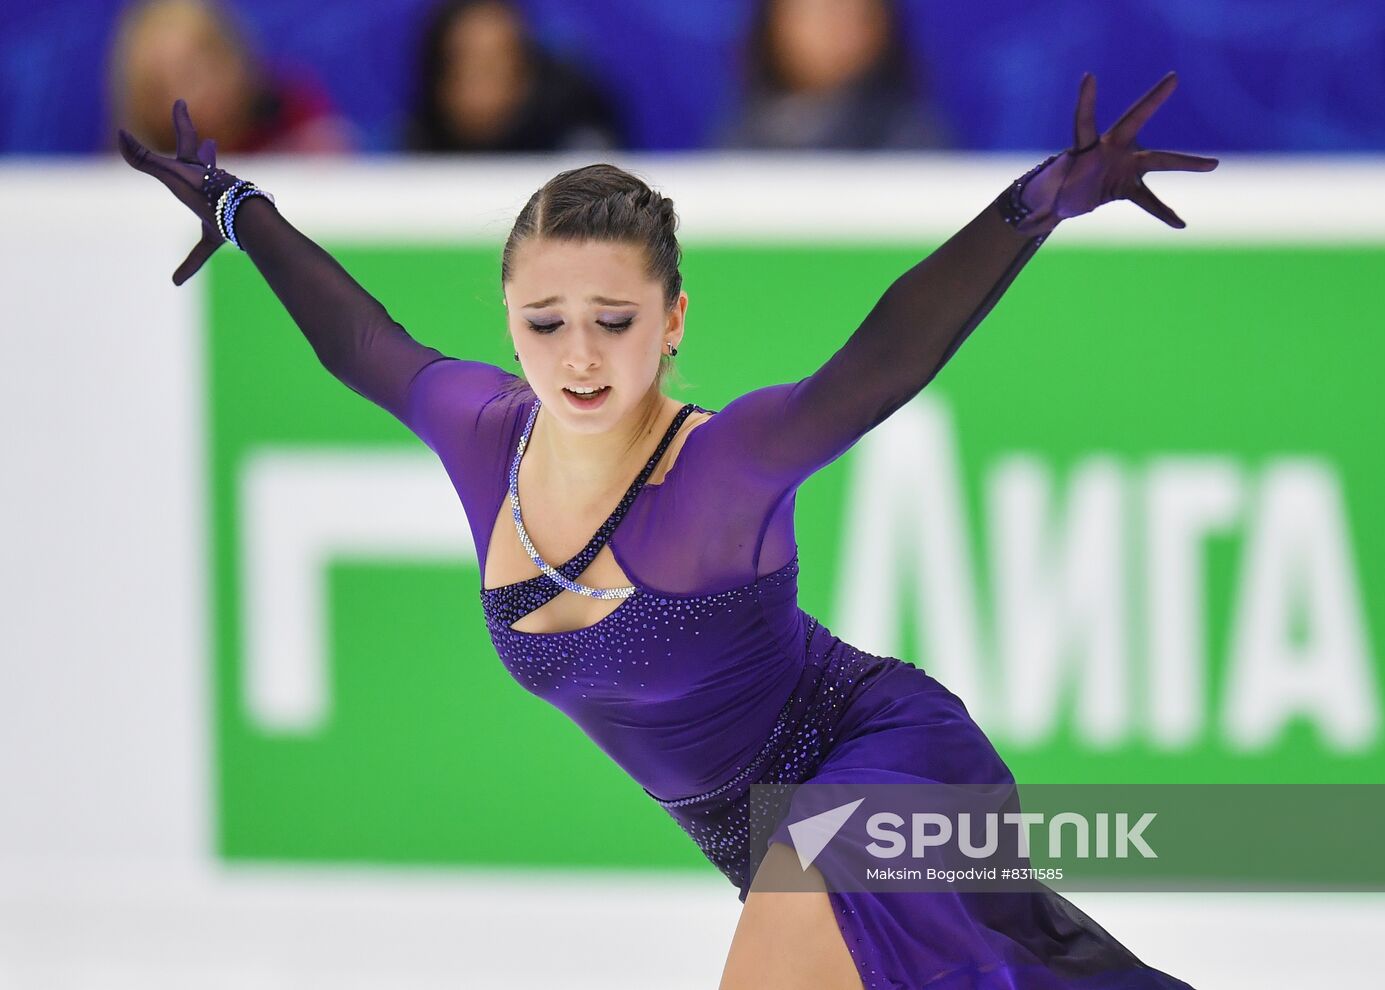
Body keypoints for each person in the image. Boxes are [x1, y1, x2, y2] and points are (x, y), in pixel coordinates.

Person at [117, 72, 1217, 988]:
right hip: (763, 840)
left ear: (673, 319)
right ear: (506, 315)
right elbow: (362, 344)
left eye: (615, 320)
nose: (579, 356)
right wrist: (233, 206)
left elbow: (874, 371)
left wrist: (1031, 206)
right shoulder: (478, 434)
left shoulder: (720, 470)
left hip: (879, 763)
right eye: (544, 322)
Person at [106, 0, 356, 155]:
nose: (182, 96)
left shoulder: (294, 119)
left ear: (230, 56)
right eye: (160, 87)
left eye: (193, 73)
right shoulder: (135, 174)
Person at [715, 0, 953, 151]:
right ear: (775, 22)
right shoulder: (735, 143)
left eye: (852, 13)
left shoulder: (916, 143)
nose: (834, 29)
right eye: (815, 12)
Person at [403, 0, 624, 153]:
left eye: (495, 68)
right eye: (467, 71)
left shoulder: (578, 146)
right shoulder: (410, 155)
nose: (482, 89)